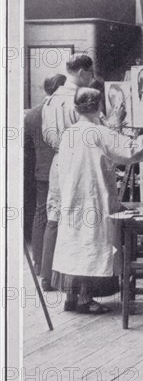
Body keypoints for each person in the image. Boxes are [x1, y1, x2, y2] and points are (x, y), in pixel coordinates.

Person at [51, 88, 143, 314]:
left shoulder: (69, 133)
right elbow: (131, 151)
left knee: (75, 246)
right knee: (91, 247)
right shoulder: (99, 133)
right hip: (93, 198)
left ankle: (71, 297)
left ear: (76, 108)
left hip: (72, 198)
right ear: (100, 107)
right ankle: (85, 299)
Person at [40, 54, 95, 292]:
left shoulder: (51, 99)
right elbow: (93, 133)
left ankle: (47, 276)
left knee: (54, 218)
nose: (92, 78)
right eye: (91, 73)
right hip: (77, 162)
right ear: (82, 72)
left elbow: (46, 134)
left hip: (57, 162)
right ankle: (75, 286)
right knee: (77, 221)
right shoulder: (80, 98)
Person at [24, 74, 66, 275]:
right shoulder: (60, 111)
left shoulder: (31, 114)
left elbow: (26, 148)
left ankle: (39, 264)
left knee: (41, 214)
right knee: (58, 218)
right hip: (59, 171)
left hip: (41, 170)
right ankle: (54, 267)